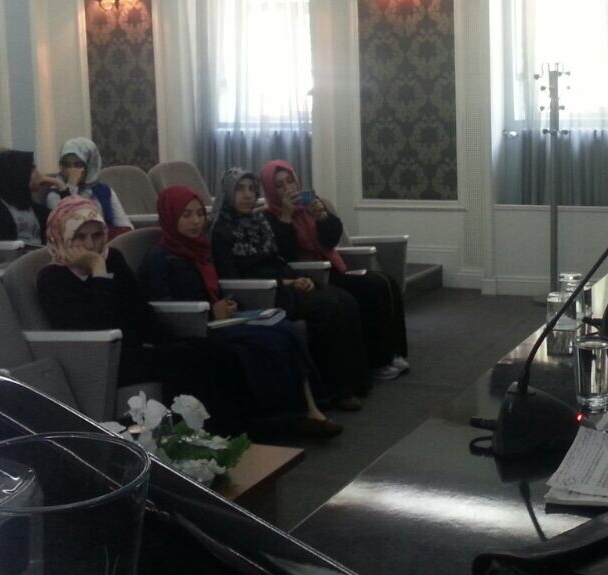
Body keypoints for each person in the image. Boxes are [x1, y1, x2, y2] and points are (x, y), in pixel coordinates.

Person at [142, 185, 344, 435]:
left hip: (217, 321)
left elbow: (214, 289)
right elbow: (160, 307)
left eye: (200, 214)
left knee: (284, 330)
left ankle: (307, 410)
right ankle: (282, 419)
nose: (196, 221)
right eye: (186, 215)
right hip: (194, 330)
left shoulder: (200, 250)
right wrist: (210, 310)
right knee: (263, 343)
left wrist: (226, 303)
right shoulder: (159, 258)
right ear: (170, 217)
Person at [210, 168, 379, 389]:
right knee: (327, 307)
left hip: (284, 281)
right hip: (261, 293)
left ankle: (354, 381)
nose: (248, 195)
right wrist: (285, 282)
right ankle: (333, 389)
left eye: (252, 189)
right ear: (227, 193)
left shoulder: (258, 222)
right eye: (240, 189)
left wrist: (297, 277)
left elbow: (278, 260)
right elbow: (234, 277)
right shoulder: (221, 231)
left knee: (344, 299)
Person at [261, 160, 409, 379]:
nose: (288, 189)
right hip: (310, 274)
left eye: (290, 181)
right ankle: (377, 361)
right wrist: (286, 217)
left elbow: (331, 239)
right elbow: (285, 253)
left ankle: (393, 352)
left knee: (385, 282)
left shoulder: (309, 206)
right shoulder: (269, 217)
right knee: (371, 289)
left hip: (335, 268)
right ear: (271, 190)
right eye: (279, 185)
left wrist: (321, 216)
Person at [45, 137, 132, 236]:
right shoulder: (54, 194)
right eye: (66, 165)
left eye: (78, 165)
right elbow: (71, 225)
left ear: (90, 166)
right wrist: (72, 186)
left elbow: (124, 226)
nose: (71, 170)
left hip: (108, 240)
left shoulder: (104, 190)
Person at [0, 150, 58, 246]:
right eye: (32, 168)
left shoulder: (25, 202)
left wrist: (60, 185)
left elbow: (61, 221)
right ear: (14, 173)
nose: (39, 174)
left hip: (41, 253)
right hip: (16, 255)